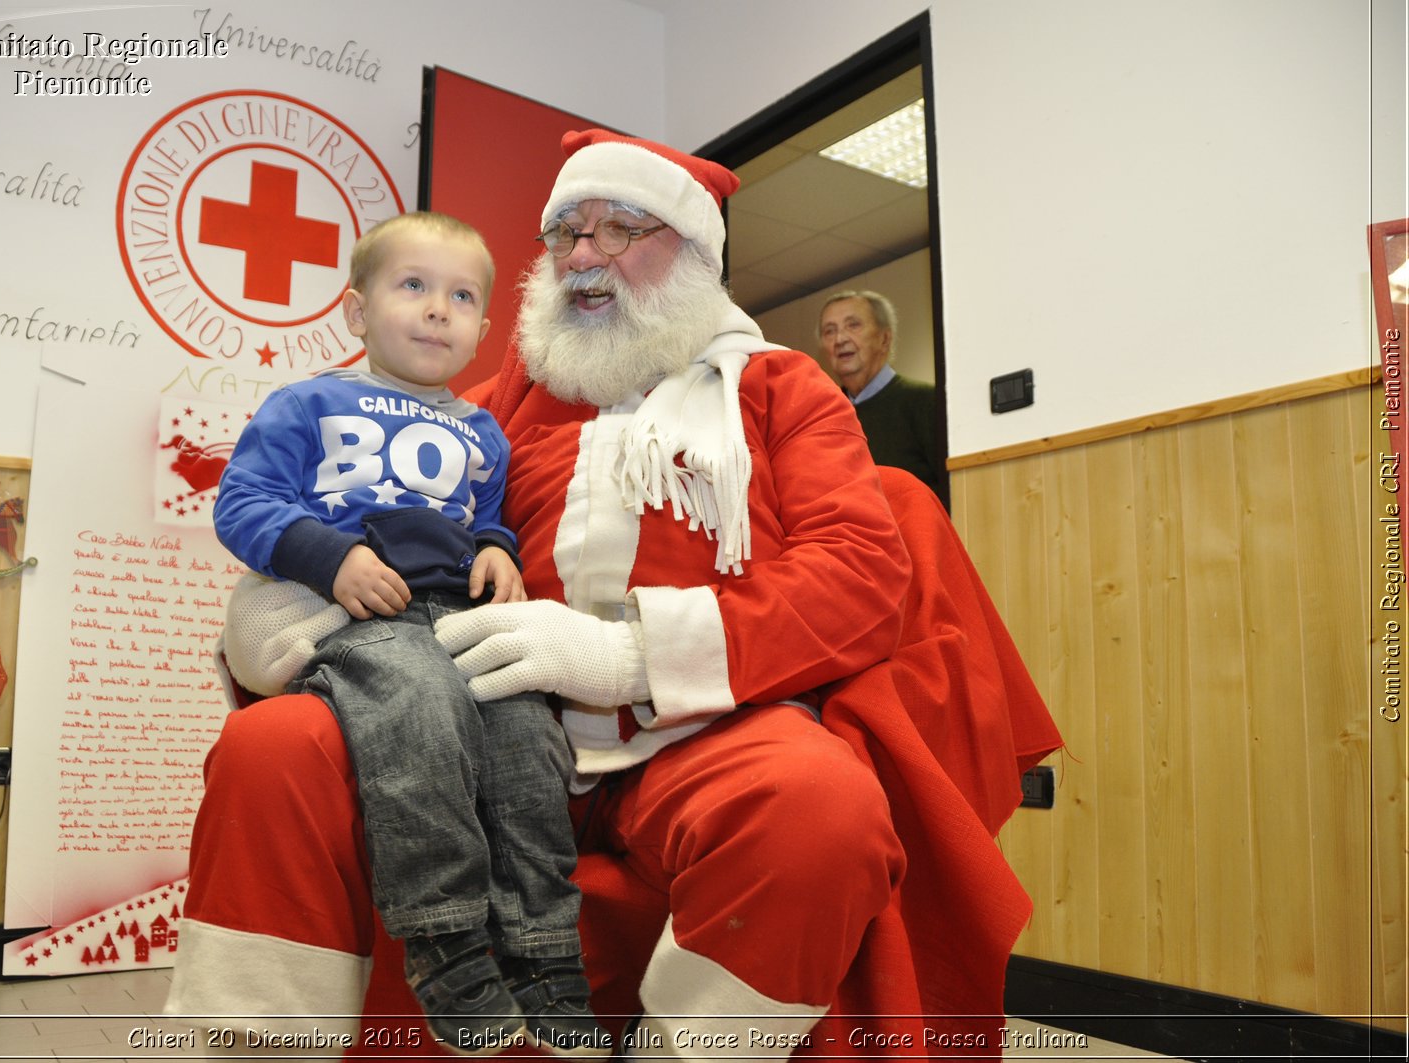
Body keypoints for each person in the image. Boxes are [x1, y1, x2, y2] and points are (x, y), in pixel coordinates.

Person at [165, 131, 1061, 1061]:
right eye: (564, 232)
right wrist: (293, 607)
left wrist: (632, 654)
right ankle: (259, 1042)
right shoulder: (497, 402)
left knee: (823, 810)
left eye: (619, 228)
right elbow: (378, 519)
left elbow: (860, 578)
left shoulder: (781, 388)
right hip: (492, 714)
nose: (582, 255)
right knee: (272, 746)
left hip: (705, 724)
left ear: (695, 255)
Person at [210, 211, 609, 1057]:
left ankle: (542, 953)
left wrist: (498, 552)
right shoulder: (308, 401)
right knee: (422, 709)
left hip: (456, 616)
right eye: (414, 287)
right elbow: (240, 504)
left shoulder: (484, 432)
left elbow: (484, 518)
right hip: (363, 615)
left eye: (461, 296)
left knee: (525, 735)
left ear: (484, 330)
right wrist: (333, 558)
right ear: (358, 312)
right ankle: (447, 944)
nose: (438, 310)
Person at [817, 290, 944, 498]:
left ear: (884, 338)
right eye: (829, 331)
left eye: (853, 325)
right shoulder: (823, 417)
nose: (839, 339)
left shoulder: (927, 402)